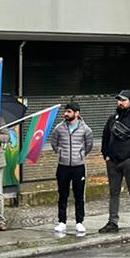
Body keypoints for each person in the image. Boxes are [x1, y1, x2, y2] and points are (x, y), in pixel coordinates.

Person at [99, 90, 130, 236]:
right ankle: (112, 222)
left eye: (123, 100)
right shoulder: (112, 118)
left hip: (129, 162)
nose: (120, 102)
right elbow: (105, 137)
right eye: (119, 100)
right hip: (112, 162)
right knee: (113, 192)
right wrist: (106, 155)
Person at [48, 101, 93, 237]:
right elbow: (54, 143)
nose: (66, 114)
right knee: (62, 194)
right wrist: (61, 153)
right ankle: (62, 221)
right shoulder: (59, 128)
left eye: (69, 111)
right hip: (63, 166)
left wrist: (80, 155)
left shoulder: (85, 129)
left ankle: (79, 221)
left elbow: (89, 145)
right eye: (65, 111)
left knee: (79, 195)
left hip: (79, 167)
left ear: (77, 113)